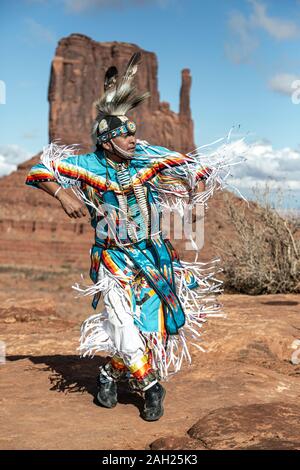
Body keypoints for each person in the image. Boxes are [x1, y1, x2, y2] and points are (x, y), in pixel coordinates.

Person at [25, 52, 246, 421]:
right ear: (107, 141)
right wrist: (62, 194)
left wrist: (194, 195)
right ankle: (149, 386)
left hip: (155, 256)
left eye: (134, 133)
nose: (133, 139)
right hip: (112, 258)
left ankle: (110, 373)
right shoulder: (87, 166)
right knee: (122, 322)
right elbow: (39, 169)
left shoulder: (147, 155)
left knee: (146, 330)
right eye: (126, 135)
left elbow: (195, 167)